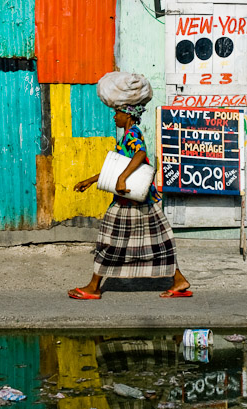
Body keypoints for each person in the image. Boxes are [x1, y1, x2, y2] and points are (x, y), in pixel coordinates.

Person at [68, 73, 191, 300]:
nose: (114, 117)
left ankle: (94, 287)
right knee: (156, 243)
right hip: (139, 201)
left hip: (131, 200)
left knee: (108, 241)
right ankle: (178, 280)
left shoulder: (132, 134)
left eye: (117, 113)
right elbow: (117, 166)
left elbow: (140, 154)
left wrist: (123, 179)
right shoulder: (125, 136)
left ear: (128, 115)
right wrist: (91, 180)